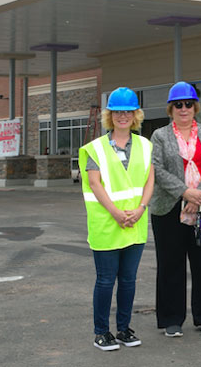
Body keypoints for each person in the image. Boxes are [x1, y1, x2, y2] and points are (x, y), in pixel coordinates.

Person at [78, 87, 155, 351]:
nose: (123, 116)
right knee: (105, 280)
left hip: (135, 222)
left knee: (128, 281)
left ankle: (123, 329)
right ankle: (101, 332)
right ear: (110, 116)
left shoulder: (145, 146)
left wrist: (141, 208)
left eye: (128, 112)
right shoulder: (95, 148)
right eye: (118, 112)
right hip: (107, 224)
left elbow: (149, 181)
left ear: (136, 115)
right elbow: (94, 183)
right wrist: (115, 212)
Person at [149, 81, 201, 337]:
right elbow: (156, 169)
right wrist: (184, 192)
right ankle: (171, 318)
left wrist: (197, 195)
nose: (184, 109)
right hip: (169, 209)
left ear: (195, 107)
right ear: (171, 108)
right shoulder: (160, 136)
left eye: (188, 104)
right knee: (170, 264)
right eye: (178, 105)